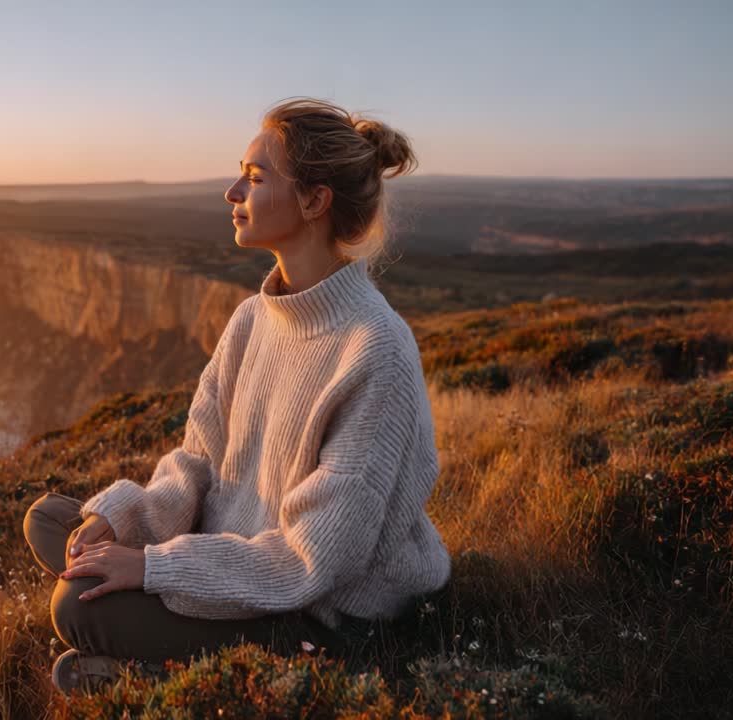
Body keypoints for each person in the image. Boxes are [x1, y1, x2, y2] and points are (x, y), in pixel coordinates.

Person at [22, 96, 451, 697]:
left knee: (75, 607)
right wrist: (121, 522)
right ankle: (145, 659)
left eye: (253, 177)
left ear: (313, 200)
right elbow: (197, 460)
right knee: (54, 521)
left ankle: (180, 677)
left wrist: (150, 567)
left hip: (319, 613)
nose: (231, 192)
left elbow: (314, 560)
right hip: (237, 555)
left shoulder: (374, 348)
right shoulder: (253, 318)